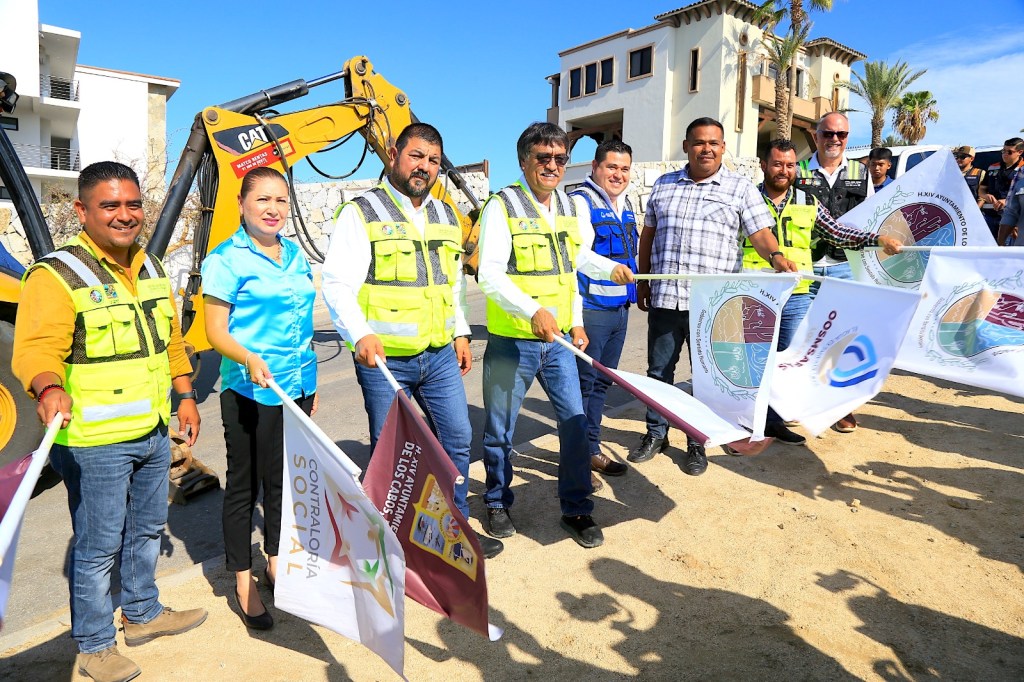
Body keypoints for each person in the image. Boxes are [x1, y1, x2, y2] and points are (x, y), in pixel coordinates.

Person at [12, 161, 207, 682]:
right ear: (82, 211)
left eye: (133, 204)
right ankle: (95, 645)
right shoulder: (57, 275)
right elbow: (35, 349)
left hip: (151, 431)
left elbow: (170, 342)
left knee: (145, 529)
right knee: (97, 547)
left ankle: (142, 613)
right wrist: (49, 386)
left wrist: (184, 395)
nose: (125, 216)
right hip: (94, 441)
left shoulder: (151, 268)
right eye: (110, 206)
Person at [321, 123, 504, 560]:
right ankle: (395, 544)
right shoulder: (361, 213)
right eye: (417, 156)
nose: (425, 167)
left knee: (458, 440)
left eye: (434, 160)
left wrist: (460, 330)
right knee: (393, 457)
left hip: (439, 354)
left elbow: (452, 283)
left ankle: (453, 530)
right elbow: (336, 283)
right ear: (393, 153)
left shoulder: (444, 215)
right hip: (385, 361)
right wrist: (360, 333)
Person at [477, 122, 633, 549]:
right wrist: (532, 311)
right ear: (524, 160)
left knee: (575, 422)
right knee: (500, 429)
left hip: (559, 340)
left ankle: (578, 509)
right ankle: (496, 502)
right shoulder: (502, 205)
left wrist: (607, 270)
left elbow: (574, 262)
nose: (552, 166)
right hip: (513, 341)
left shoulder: (566, 204)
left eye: (559, 158)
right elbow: (487, 273)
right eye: (543, 158)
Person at [630, 117, 797, 472]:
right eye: (700, 142)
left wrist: (777, 256)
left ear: (723, 148)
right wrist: (643, 281)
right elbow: (649, 235)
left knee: (708, 379)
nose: (707, 148)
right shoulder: (663, 185)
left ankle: (697, 442)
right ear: (686, 145)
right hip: (667, 298)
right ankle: (656, 433)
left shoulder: (740, 189)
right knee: (659, 372)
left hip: (714, 307)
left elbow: (760, 234)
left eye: (714, 143)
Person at [201, 167, 318, 631]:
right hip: (250, 389)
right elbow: (215, 332)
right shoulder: (225, 259)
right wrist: (247, 356)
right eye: (263, 200)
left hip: (296, 386)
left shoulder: (294, 254)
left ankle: (274, 560)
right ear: (242, 204)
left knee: (283, 483)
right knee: (245, 488)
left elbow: (302, 322)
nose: (273, 209)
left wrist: (308, 384)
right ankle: (244, 582)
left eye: (281, 201)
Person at [745, 140, 903, 446]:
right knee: (754, 358)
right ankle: (748, 423)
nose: (784, 170)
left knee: (788, 359)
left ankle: (774, 421)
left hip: (798, 292)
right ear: (764, 165)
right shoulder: (747, 198)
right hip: (755, 292)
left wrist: (876, 239)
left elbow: (837, 231)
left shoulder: (808, 200)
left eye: (790, 165)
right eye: (777, 164)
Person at [793, 112, 872, 434]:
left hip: (845, 265)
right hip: (806, 266)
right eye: (828, 133)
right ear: (816, 134)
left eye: (841, 134)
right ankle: (801, 401)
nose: (834, 139)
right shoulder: (797, 171)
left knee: (844, 337)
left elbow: (872, 217)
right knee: (802, 336)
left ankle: (840, 406)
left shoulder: (861, 173)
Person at [568, 140, 637, 490]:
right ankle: (579, 461)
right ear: (594, 167)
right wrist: (610, 270)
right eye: (611, 167)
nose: (618, 174)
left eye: (624, 169)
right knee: (583, 387)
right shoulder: (582, 202)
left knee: (601, 386)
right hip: (593, 310)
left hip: (619, 310)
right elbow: (577, 256)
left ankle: (591, 449)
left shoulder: (625, 206)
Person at [980, 137, 1024, 242]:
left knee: (1009, 251)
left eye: (1009, 152)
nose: (1005, 154)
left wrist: (1007, 200)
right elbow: (981, 190)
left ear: (1020, 152)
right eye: (1003, 151)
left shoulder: (1022, 169)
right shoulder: (992, 167)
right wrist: (986, 196)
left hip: (1012, 219)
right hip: (989, 216)